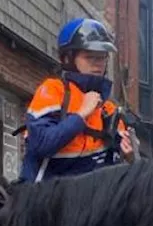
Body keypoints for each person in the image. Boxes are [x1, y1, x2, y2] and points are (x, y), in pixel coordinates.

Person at [18, 18, 134, 183]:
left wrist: (129, 155)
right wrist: (81, 114)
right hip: (45, 199)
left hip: (91, 202)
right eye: (90, 57)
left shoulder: (108, 109)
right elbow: (39, 145)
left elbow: (115, 167)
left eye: (101, 58)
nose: (98, 64)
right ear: (67, 58)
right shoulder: (52, 91)